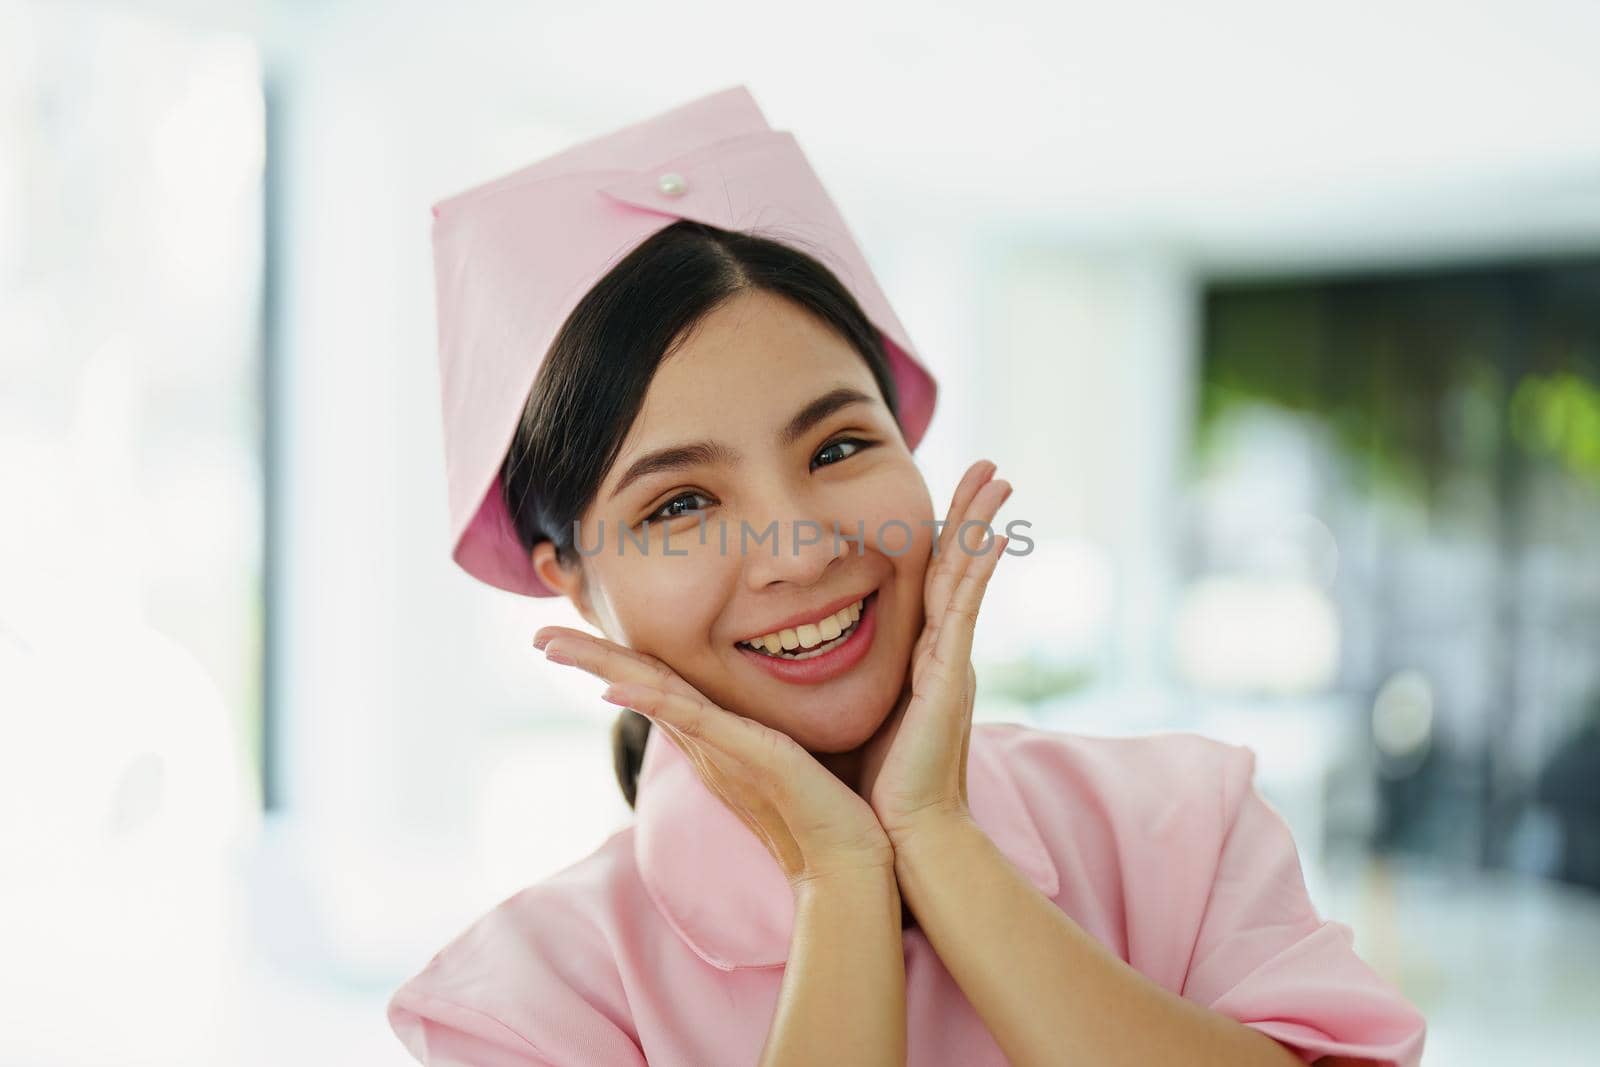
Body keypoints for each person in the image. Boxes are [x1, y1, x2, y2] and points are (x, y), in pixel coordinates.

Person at [387, 84, 1428, 1066]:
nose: (799, 549)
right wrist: (839, 877)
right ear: (568, 576)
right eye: (680, 503)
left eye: (837, 448)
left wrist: (938, 837)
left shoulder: (1183, 821)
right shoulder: (524, 1006)